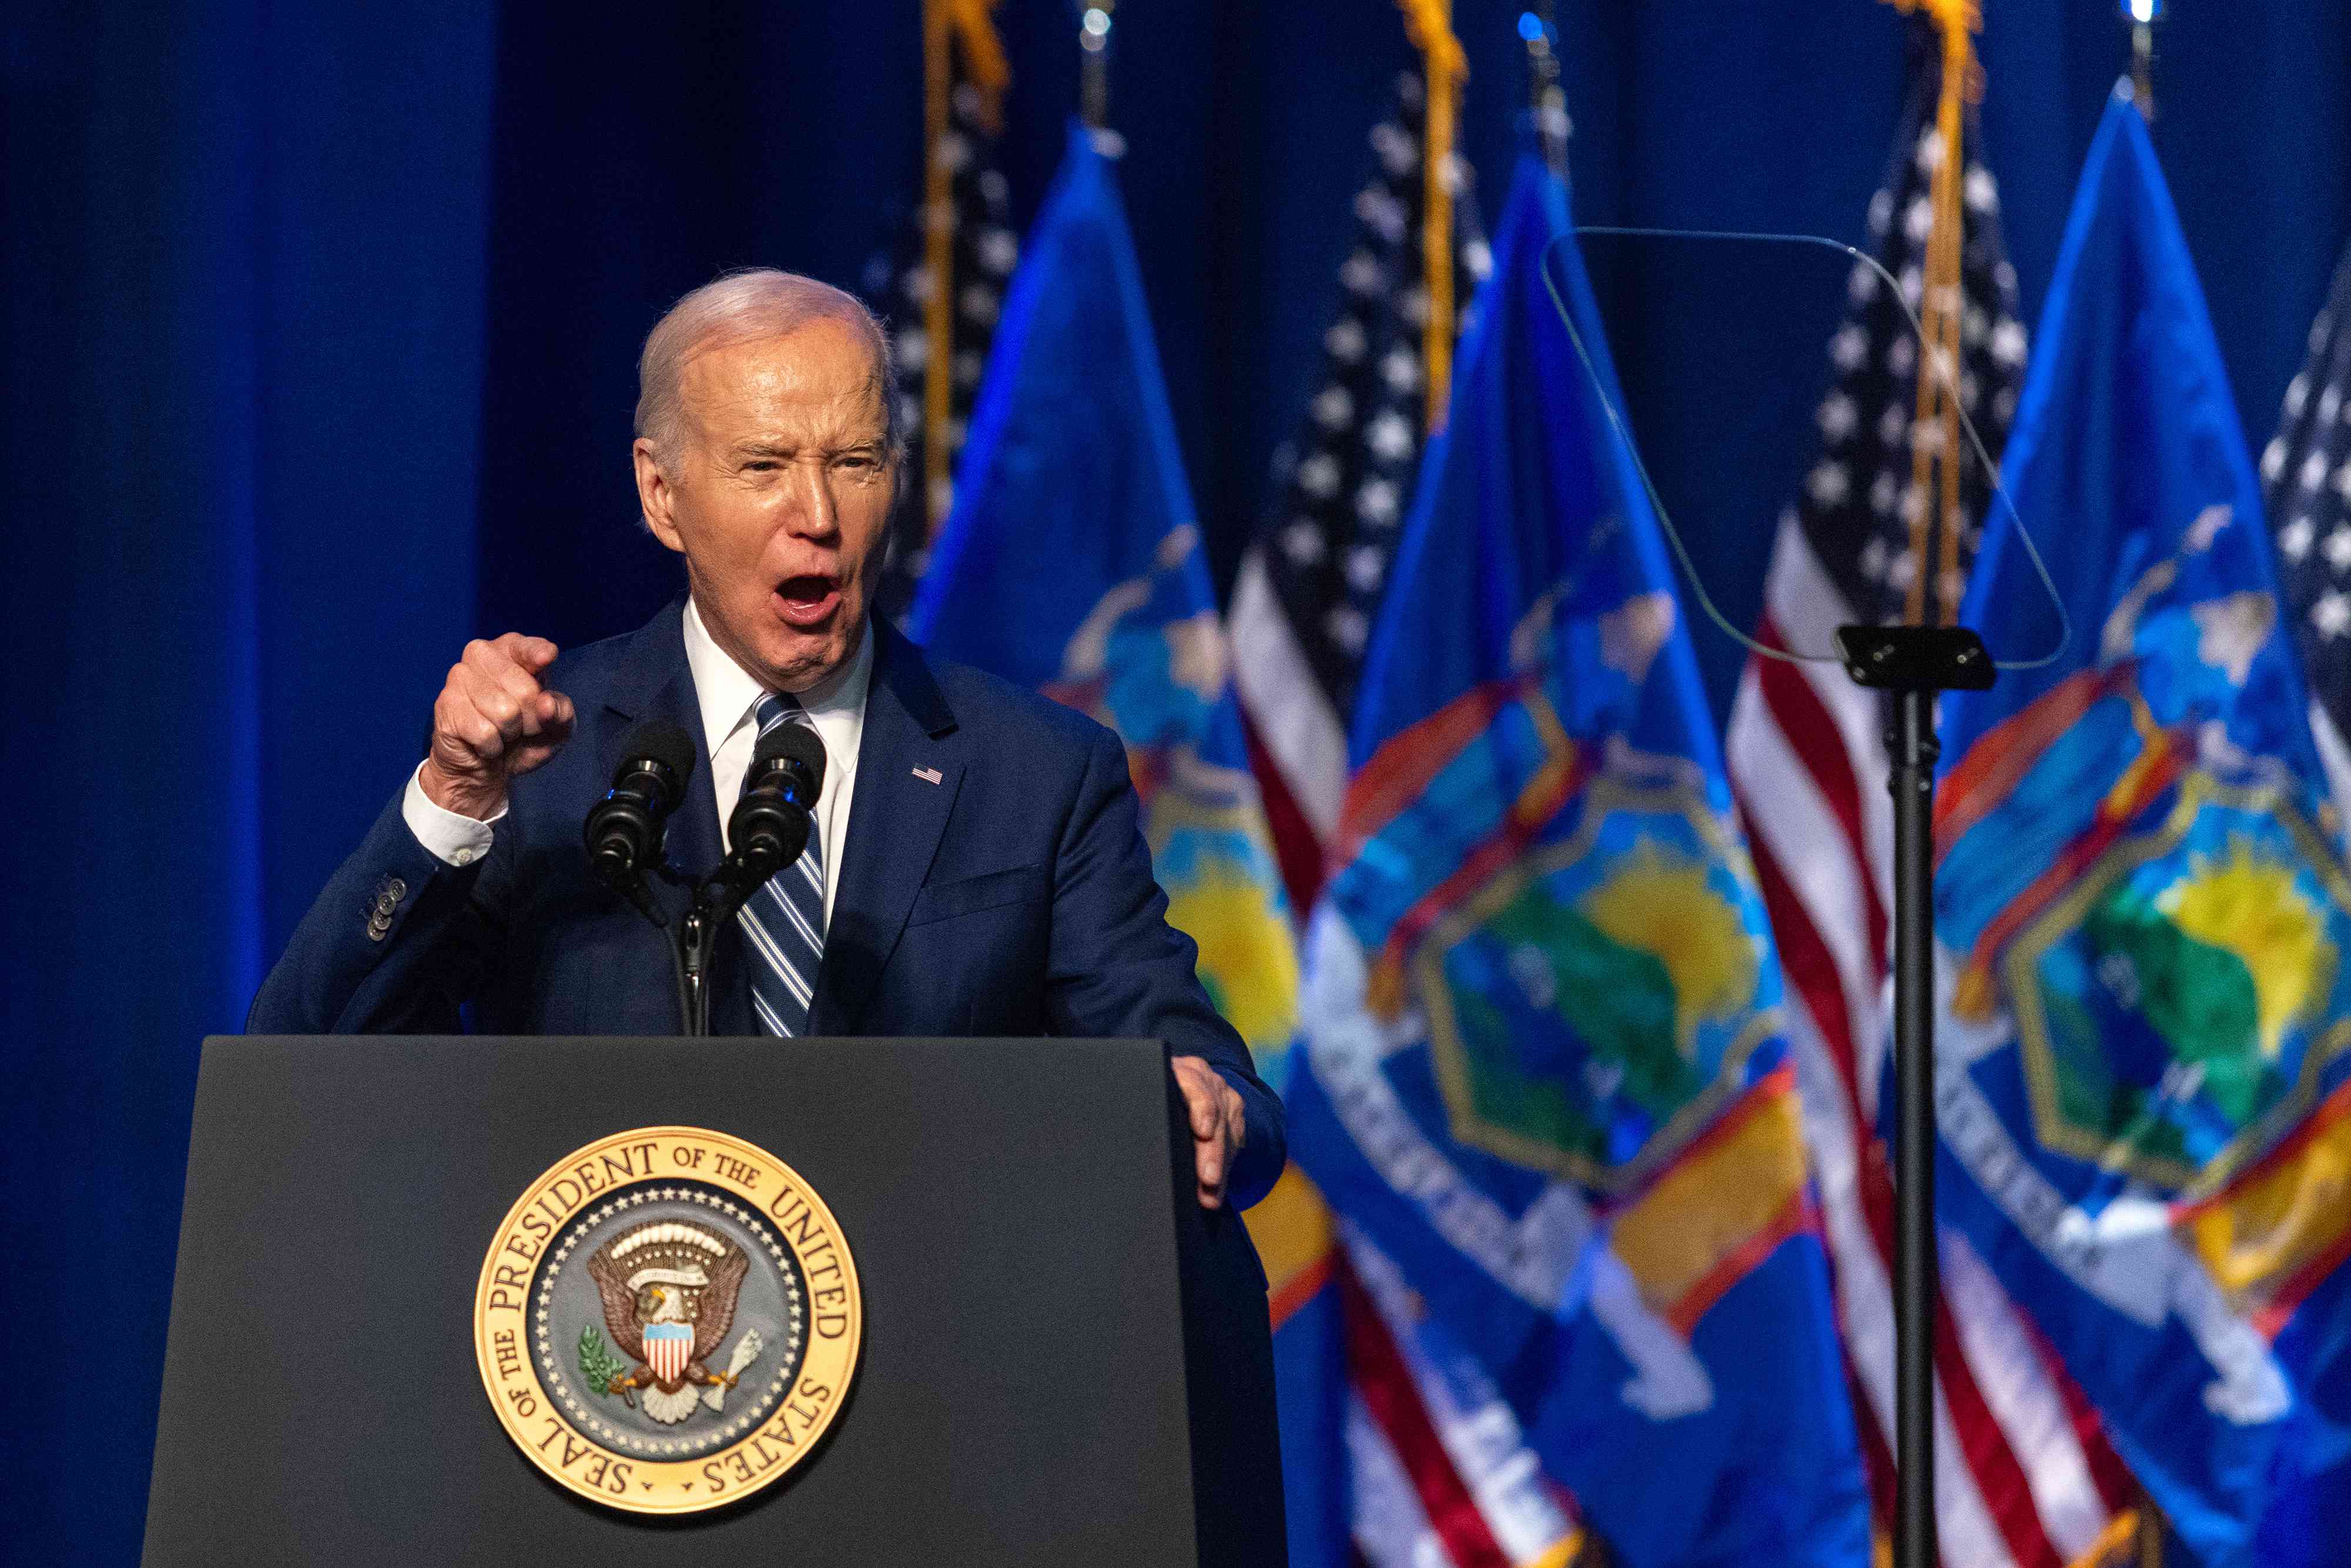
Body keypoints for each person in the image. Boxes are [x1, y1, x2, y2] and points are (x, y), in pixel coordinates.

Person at [249, 268, 1283, 1215]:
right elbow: (309, 1061)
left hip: (936, 1376)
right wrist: (452, 799)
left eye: (855, 462)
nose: (819, 514)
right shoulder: (543, 755)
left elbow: (1206, 1083)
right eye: (764, 465)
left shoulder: (1039, 772)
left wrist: (1205, 1103)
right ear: (663, 495)